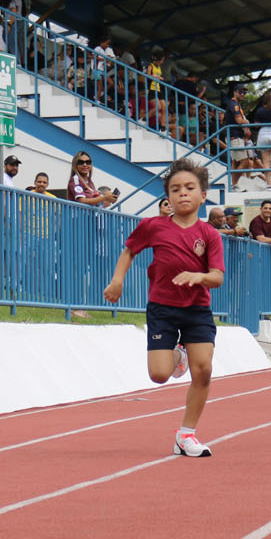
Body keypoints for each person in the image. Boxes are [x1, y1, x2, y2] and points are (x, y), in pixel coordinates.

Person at [103, 158, 224, 458]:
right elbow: (129, 251)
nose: (183, 193)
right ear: (168, 197)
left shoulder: (209, 235)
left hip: (196, 309)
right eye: (175, 189)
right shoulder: (153, 226)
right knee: (159, 375)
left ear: (203, 195)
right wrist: (117, 280)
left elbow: (217, 277)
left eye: (189, 188)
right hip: (162, 308)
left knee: (204, 370)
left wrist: (199, 276)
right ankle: (177, 354)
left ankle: (186, 435)